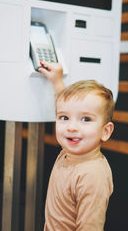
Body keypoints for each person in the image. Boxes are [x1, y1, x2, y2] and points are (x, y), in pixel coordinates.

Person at [39, 61, 114, 231]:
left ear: (105, 131)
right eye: (64, 118)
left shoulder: (92, 175)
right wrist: (57, 81)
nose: (71, 127)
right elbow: (64, 104)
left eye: (86, 119)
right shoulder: (70, 152)